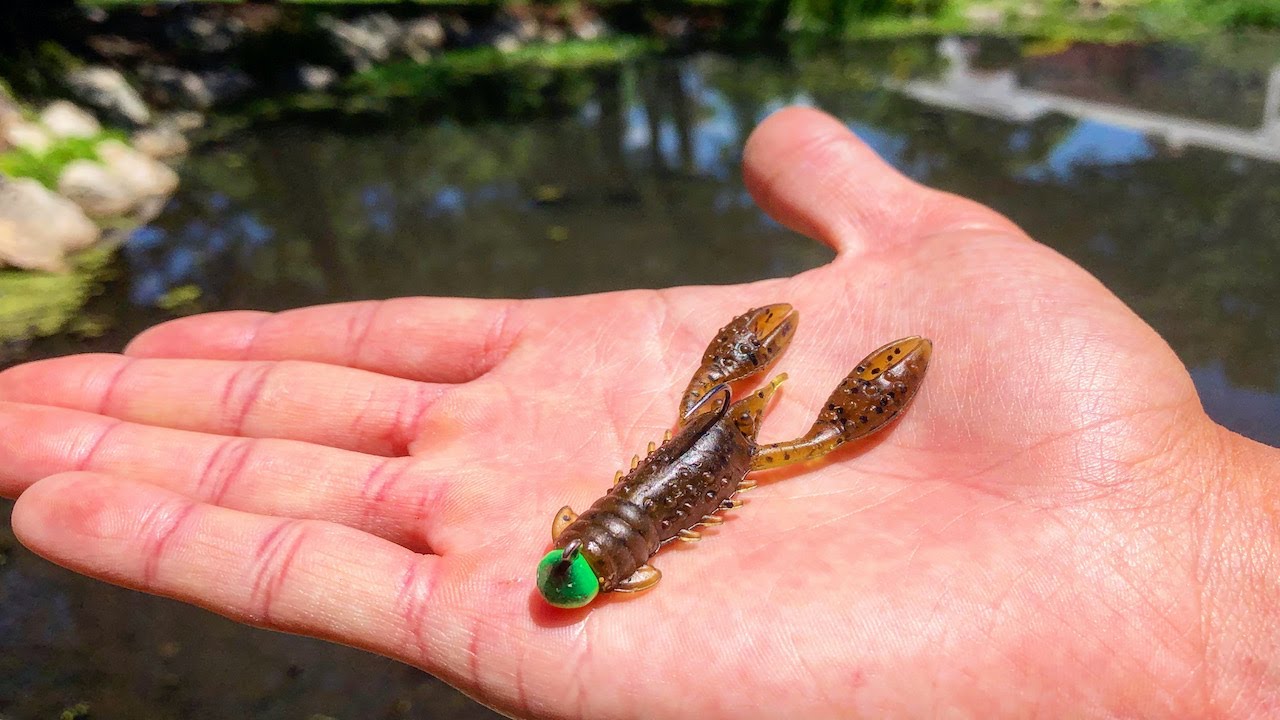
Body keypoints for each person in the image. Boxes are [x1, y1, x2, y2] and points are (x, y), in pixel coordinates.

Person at [0, 107, 1275, 718]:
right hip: (667, 492)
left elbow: (638, 533)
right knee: (763, 444)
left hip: (662, 485)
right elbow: (641, 537)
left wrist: (1187, 559)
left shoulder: (628, 515)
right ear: (593, 565)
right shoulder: (630, 529)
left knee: (737, 437)